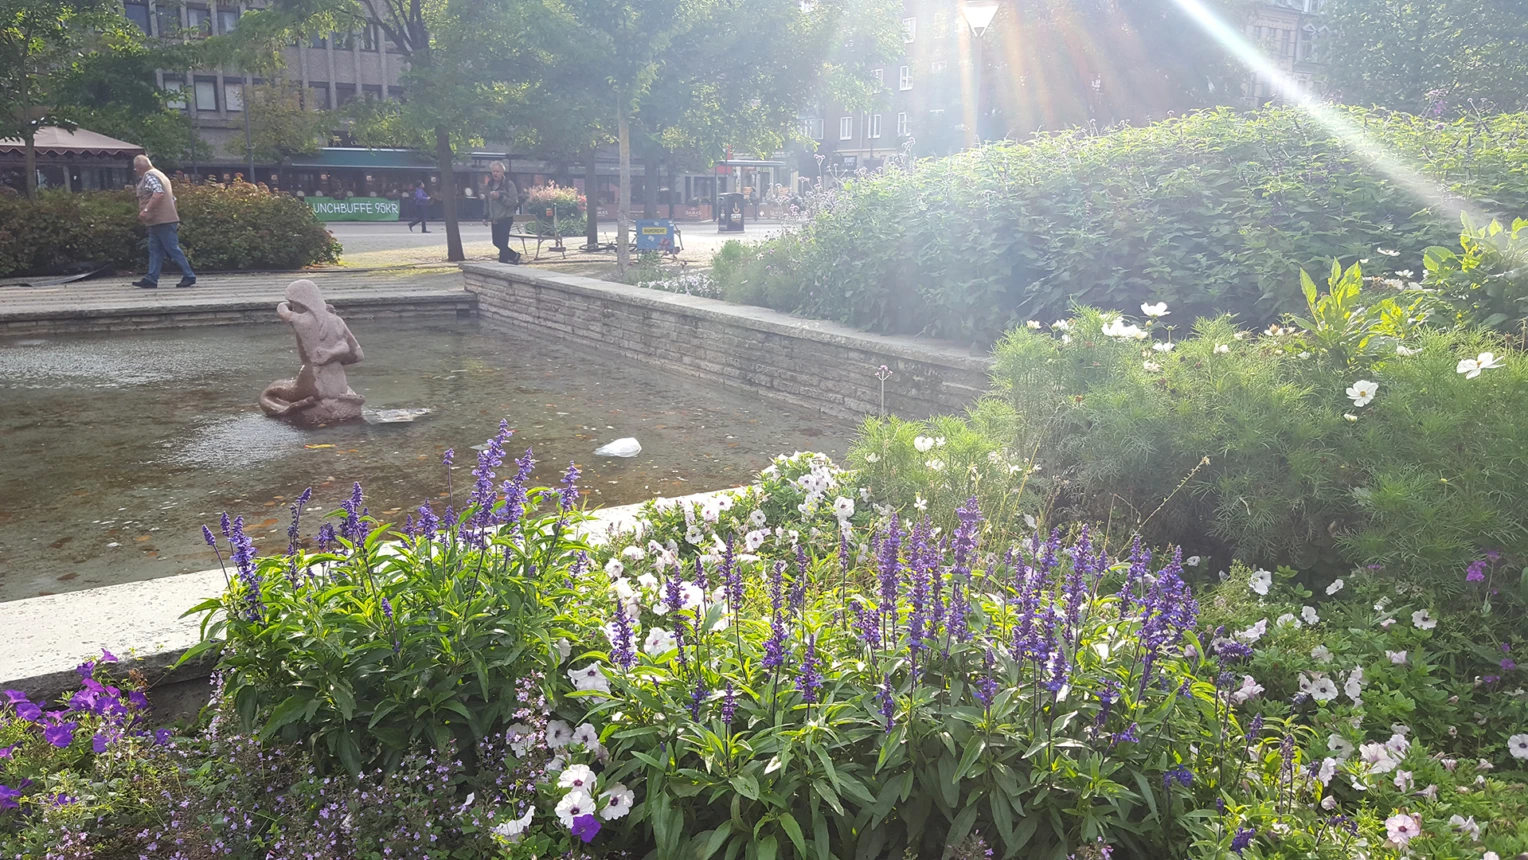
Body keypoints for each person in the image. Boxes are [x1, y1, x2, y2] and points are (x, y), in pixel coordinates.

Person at [132, 155, 196, 289]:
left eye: (135, 167)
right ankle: (151, 278)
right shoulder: (161, 176)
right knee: (155, 249)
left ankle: (189, 275)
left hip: (161, 220)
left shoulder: (149, 176)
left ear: (139, 167)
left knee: (172, 248)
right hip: (160, 220)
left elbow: (158, 193)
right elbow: (173, 198)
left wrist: (146, 210)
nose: (135, 170)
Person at [483, 161, 521, 264]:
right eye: (493, 171)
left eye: (497, 171)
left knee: (503, 243)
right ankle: (514, 255)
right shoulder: (489, 185)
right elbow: (487, 201)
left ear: (502, 172)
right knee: (496, 242)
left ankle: (503, 265)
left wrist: (500, 197)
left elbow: (514, 202)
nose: (495, 174)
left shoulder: (508, 184)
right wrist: (485, 216)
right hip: (495, 218)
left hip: (506, 217)